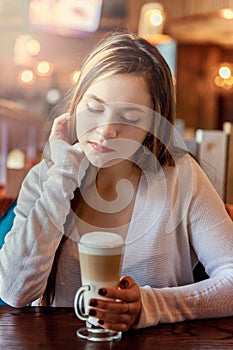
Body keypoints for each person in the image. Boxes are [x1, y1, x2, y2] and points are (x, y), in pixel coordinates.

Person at [0, 30, 233, 333]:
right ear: (76, 103)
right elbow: (14, 291)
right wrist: (63, 172)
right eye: (94, 108)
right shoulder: (46, 178)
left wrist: (151, 306)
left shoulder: (181, 176)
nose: (106, 130)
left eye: (131, 118)